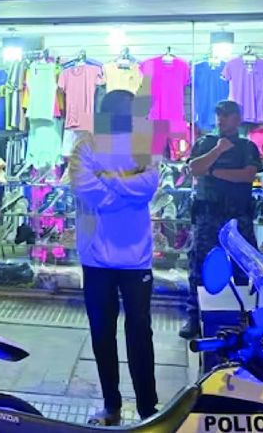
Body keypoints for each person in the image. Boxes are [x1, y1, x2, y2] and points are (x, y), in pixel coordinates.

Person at [68, 108, 159, 425]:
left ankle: (147, 409)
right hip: (96, 258)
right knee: (102, 334)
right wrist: (126, 188)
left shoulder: (143, 145)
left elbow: (149, 186)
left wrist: (106, 179)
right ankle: (112, 405)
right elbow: (85, 189)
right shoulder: (86, 145)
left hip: (136, 259)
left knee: (139, 334)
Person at [181, 100, 262, 339]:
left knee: (244, 268)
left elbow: (247, 175)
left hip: (238, 217)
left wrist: (214, 171)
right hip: (208, 216)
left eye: (226, 115)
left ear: (237, 119)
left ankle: (246, 318)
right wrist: (217, 150)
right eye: (219, 115)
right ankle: (195, 316)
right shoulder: (205, 143)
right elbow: (195, 169)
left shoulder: (247, 146)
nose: (221, 119)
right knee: (199, 268)